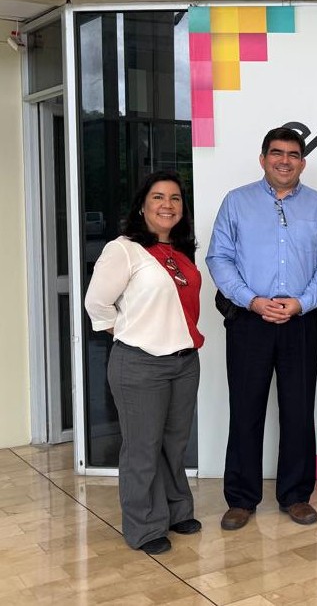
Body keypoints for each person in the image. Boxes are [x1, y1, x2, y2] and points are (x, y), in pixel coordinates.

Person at [206, 127, 317, 530]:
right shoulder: (236, 202)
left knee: (298, 410)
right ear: (263, 159)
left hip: (300, 320)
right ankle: (241, 499)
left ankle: (296, 496)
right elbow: (219, 257)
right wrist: (251, 299)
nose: (285, 161)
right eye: (277, 153)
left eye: (293, 154)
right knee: (246, 409)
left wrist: (302, 302)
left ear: (303, 162)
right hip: (250, 320)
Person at [84, 171, 204, 555]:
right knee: (142, 447)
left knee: (174, 444)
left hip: (184, 360)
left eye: (175, 198)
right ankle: (144, 525)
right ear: (142, 205)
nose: (167, 205)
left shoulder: (180, 251)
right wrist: (129, 331)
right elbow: (96, 303)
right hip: (140, 363)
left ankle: (176, 510)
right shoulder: (124, 249)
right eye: (158, 197)